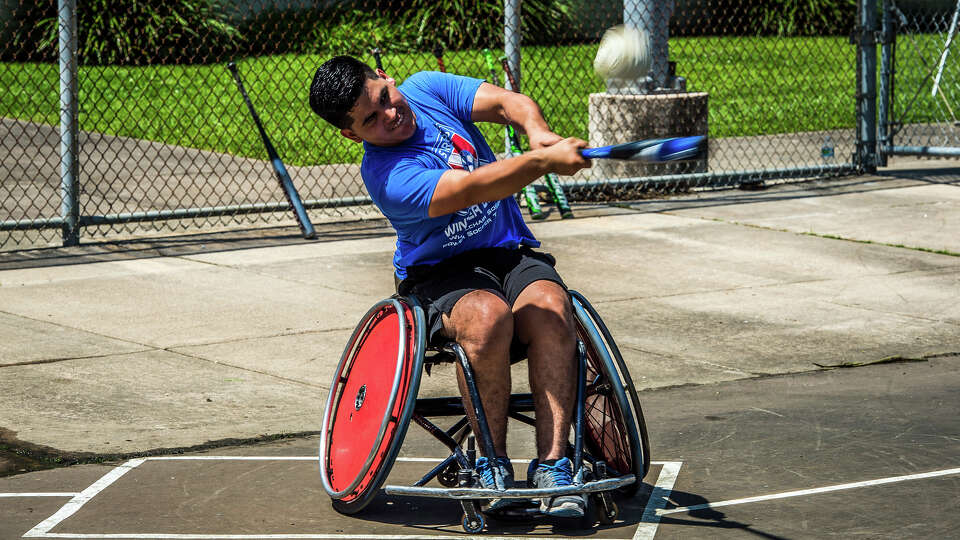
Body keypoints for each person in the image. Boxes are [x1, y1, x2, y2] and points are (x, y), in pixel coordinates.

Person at [309, 55, 592, 517]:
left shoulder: (426, 88)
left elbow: (506, 103)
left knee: (552, 305)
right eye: (371, 120)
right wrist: (541, 162)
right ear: (351, 134)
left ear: (386, 79)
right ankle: (491, 463)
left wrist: (536, 132)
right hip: (440, 272)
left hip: (507, 249)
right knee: (487, 316)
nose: (389, 115)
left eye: (384, 98)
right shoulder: (388, 176)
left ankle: (555, 467)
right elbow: (473, 187)